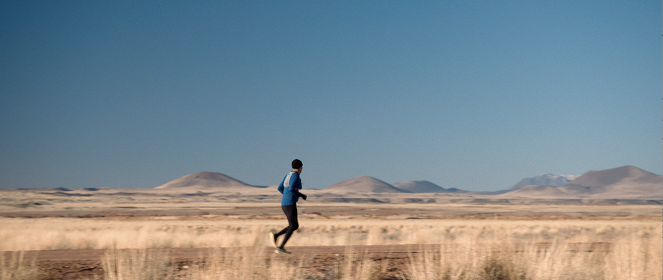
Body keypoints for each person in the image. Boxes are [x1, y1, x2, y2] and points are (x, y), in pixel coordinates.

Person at [270, 159, 307, 254]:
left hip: (285, 203)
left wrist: (286, 196)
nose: (302, 168)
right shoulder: (295, 176)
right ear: (299, 167)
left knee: (294, 226)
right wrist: (300, 195)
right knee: (293, 225)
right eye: (302, 167)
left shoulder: (288, 175)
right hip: (290, 203)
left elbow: (280, 188)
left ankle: (276, 236)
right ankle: (280, 247)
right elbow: (291, 189)